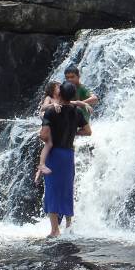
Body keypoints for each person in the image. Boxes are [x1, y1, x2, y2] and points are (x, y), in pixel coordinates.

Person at [39, 81, 91, 238]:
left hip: (54, 154)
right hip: (68, 154)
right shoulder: (77, 111)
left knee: (52, 190)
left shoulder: (51, 111)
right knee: (67, 190)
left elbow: (43, 135)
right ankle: (69, 226)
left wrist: (49, 137)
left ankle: (55, 230)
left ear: (59, 94)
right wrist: (73, 132)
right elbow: (88, 131)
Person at [34, 81, 92, 183]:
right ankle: (41, 167)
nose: (59, 88)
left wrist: (85, 104)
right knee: (48, 144)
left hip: (55, 150)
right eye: (57, 87)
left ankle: (40, 168)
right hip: (67, 153)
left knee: (49, 143)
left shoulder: (61, 107)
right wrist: (54, 105)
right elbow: (43, 108)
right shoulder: (50, 99)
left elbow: (76, 102)